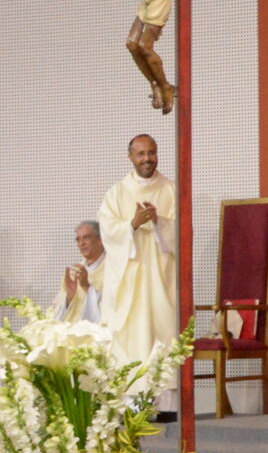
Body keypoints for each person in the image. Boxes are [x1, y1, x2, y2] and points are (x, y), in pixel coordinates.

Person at [97, 134, 179, 374]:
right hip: (130, 280)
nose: (147, 159)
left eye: (152, 153)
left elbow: (183, 234)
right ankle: (132, 400)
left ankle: (167, 407)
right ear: (130, 157)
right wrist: (131, 224)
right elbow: (107, 231)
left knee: (163, 334)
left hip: (161, 278)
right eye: (141, 154)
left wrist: (158, 222)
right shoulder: (117, 192)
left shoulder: (172, 190)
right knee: (131, 337)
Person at [49, 219, 108, 323]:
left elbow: (114, 308)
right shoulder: (73, 274)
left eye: (86, 238)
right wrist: (69, 297)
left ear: (100, 240)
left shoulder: (113, 269)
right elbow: (55, 315)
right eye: (78, 239)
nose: (81, 243)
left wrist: (87, 287)